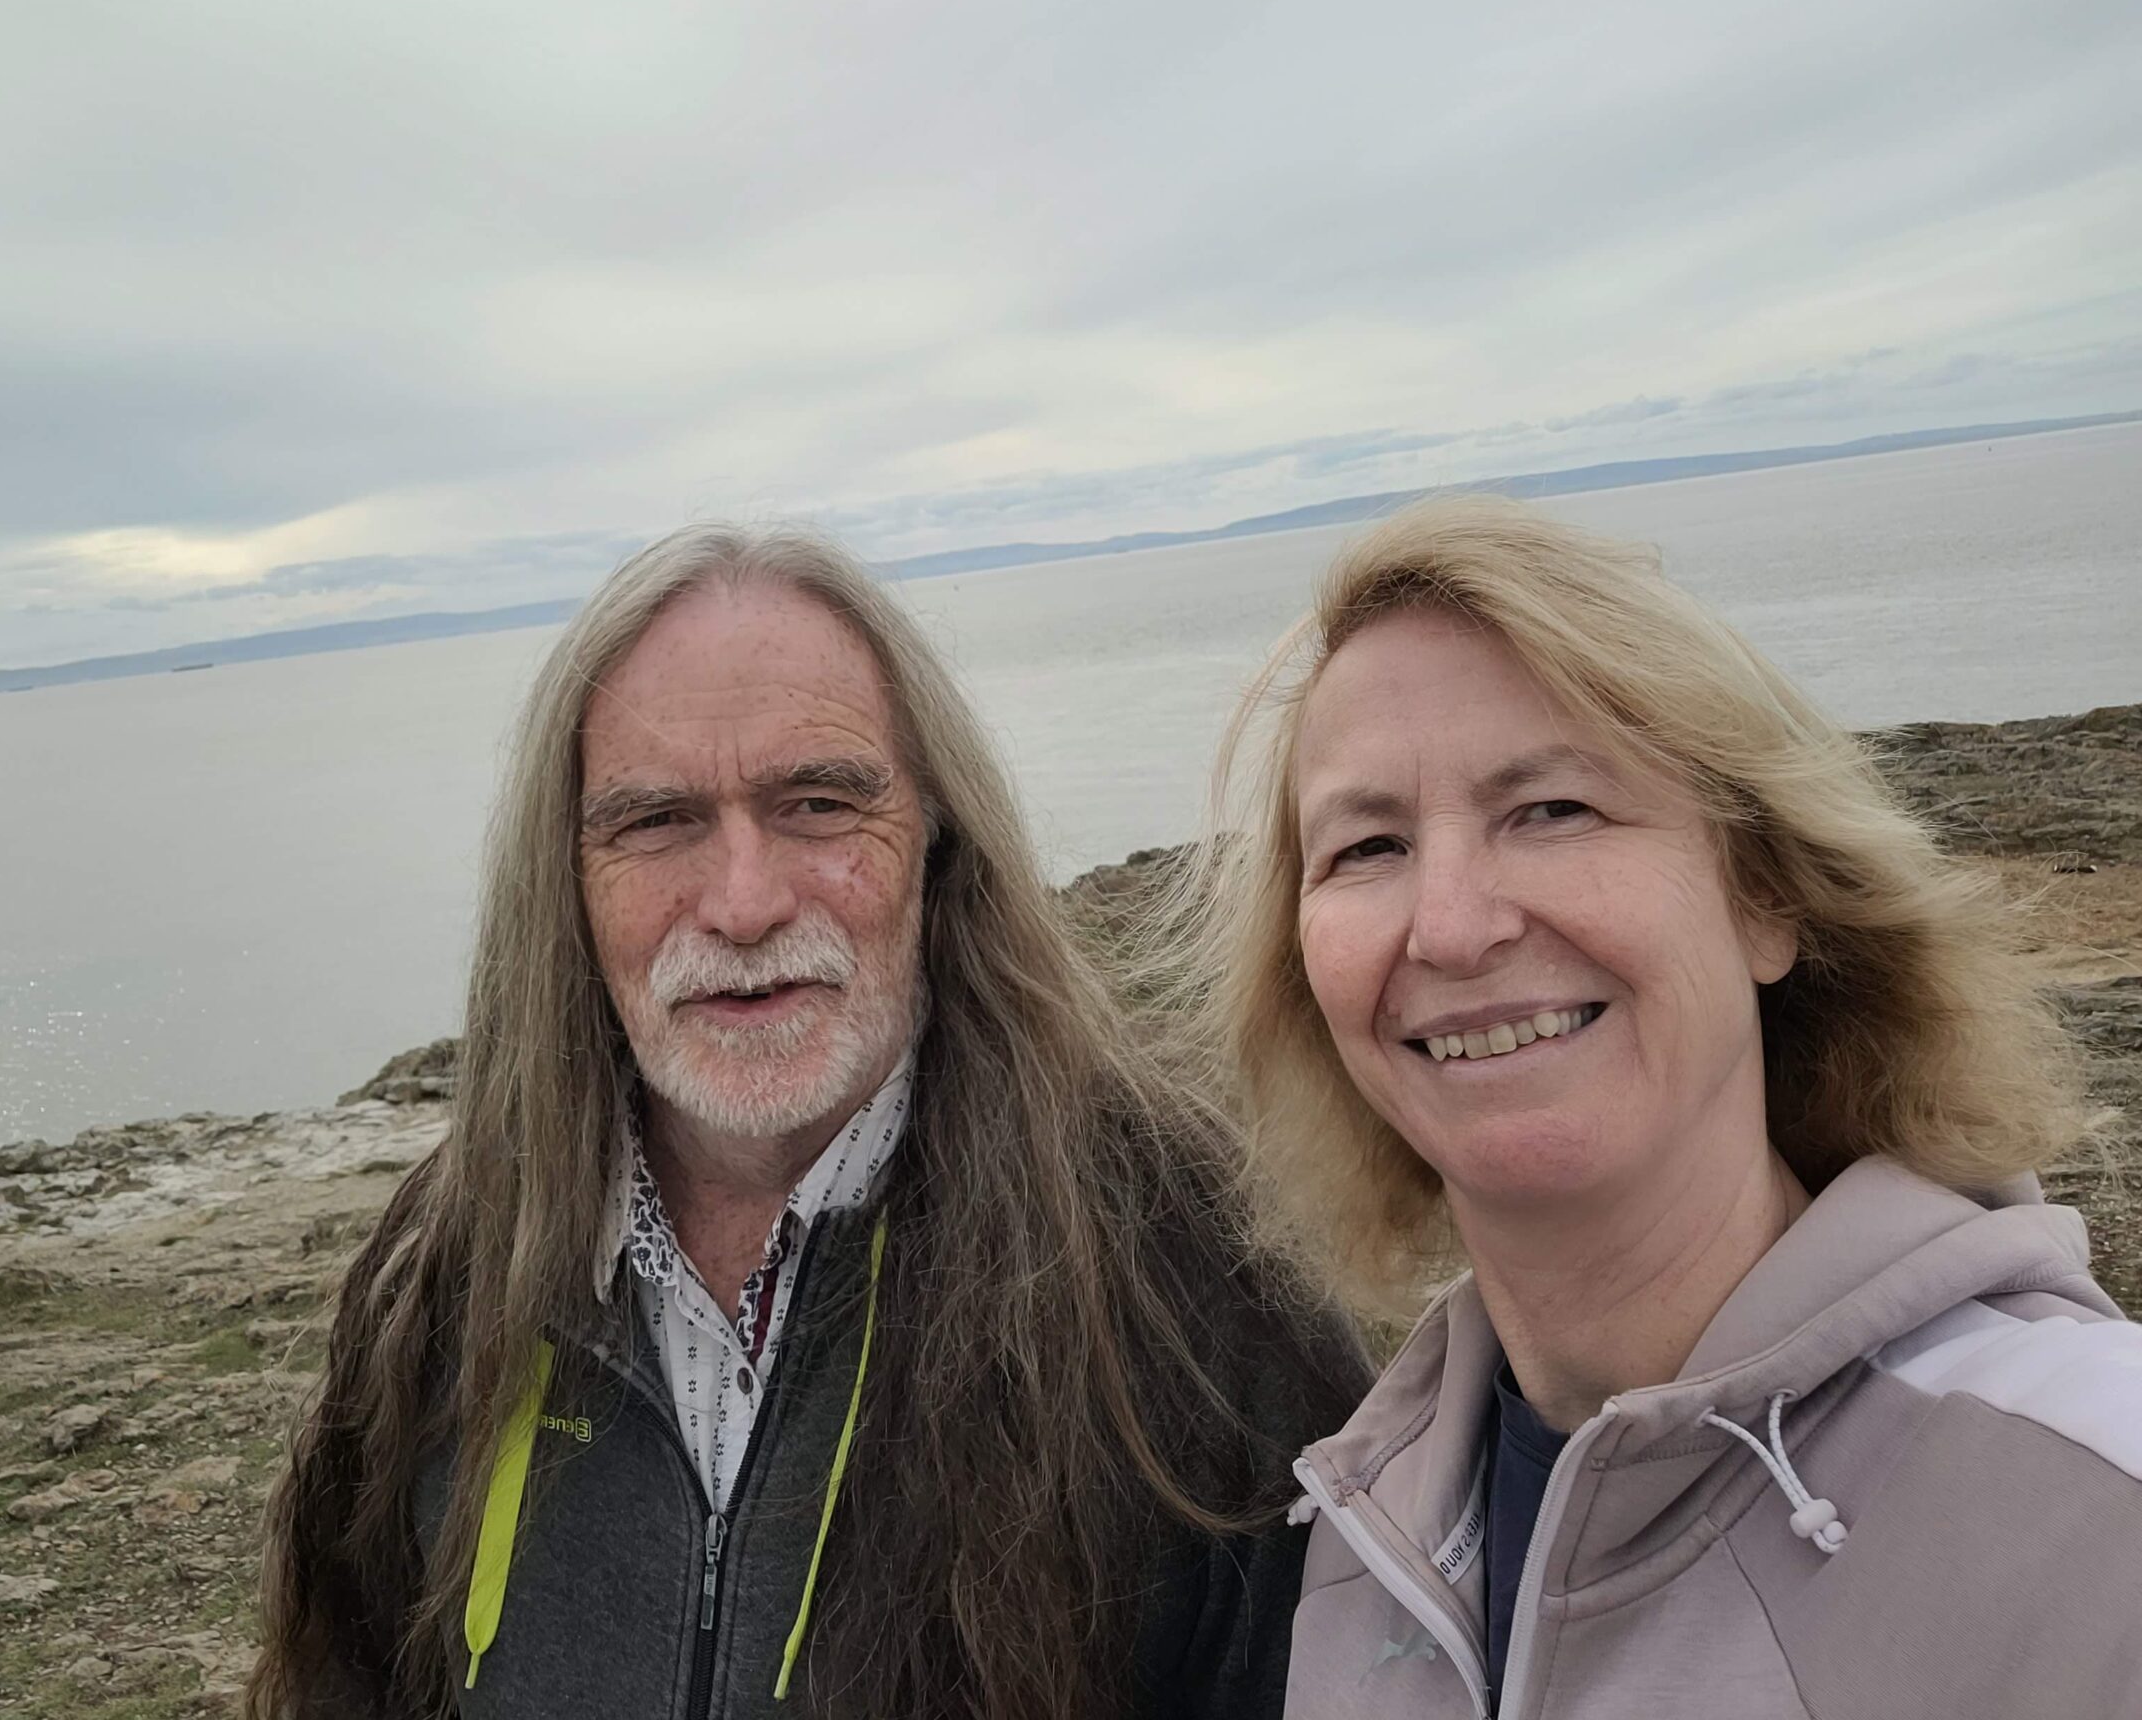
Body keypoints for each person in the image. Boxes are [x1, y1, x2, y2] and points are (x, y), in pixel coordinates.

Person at [245, 524, 1368, 1720]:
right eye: (655, 821)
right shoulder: (450, 1262)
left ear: (937, 833)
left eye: (819, 803)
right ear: (565, 879)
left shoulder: (1195, 1279)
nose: (743, 904)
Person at [1186, 494, 2142, 1718]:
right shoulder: (1359, 1539)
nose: (1453, 927)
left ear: (1765, 898)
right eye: (1368, 847)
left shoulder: (2093, 1495)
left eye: (1553, 809)